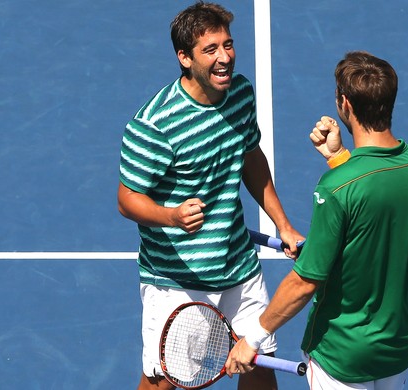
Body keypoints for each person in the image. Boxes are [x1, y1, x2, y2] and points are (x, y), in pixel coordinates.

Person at [226, 51, 408, 390]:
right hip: (399, 344)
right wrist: (340, 159)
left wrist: (251, 339)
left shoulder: (336, 188)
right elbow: (376, 215)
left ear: (344, 103)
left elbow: (305, 282)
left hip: (343, 352)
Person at [117, 2, 304, 389]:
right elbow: (127, 199)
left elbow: (251, 158)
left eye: (228, 45)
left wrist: (282, 226)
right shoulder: (154, 124)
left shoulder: (240, 93)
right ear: (184, 58)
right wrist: (172, 216)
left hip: (237, 262)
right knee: (163, 382)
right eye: (211, 49)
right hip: (177, 277)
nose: (225, 58)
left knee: (258, 364)